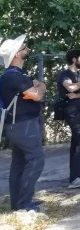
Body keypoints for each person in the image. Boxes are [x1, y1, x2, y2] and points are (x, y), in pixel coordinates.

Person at [0, 35, 45, 211]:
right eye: (24, 47)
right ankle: (25, 204)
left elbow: (34, 93)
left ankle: (18, 204)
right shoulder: (15, 77)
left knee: (18, 164)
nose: (27, 48)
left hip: (16, 126)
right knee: (36, 160)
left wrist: (36, 87)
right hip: (24, 126)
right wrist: (40, 86)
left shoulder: (11, 76)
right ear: (17, 54)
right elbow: (38, 95)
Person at [57, 48, 80, 188]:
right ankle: (74, 179)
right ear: (74, 59)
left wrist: (78, 95)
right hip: (71, 111)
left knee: (76, 143)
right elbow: (70, 88)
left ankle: (75, 175)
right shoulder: (64, 74)